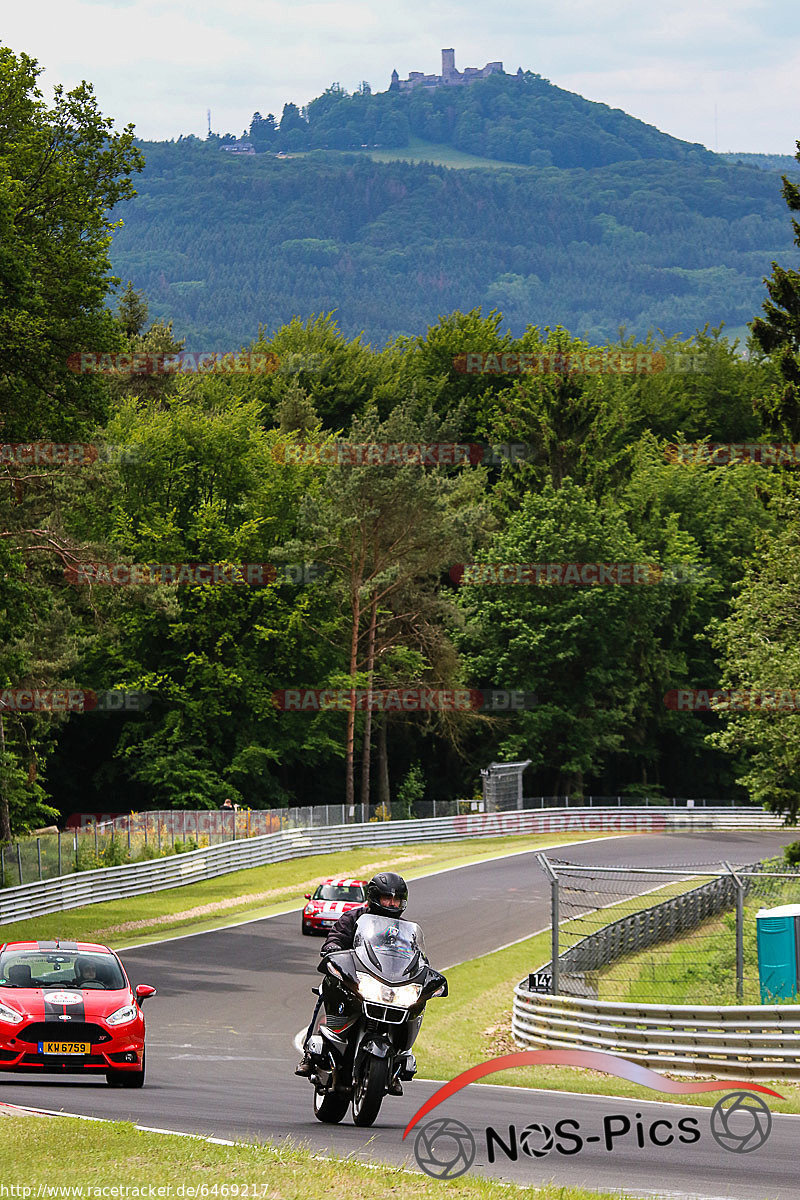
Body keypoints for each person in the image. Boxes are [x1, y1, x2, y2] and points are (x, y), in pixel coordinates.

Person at [295, 872, 409, 1080]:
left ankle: (400, 1061)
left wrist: (420, 965)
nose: (392, 904)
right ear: (374, 897)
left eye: (396, 899)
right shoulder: (353, 918)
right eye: (387, 898)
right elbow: (336, 937)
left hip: (385, 984)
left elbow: (413, 953)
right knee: (325, 991)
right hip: (354, 978)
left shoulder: (404, 930)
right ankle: (309, 1055)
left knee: (412, 1006)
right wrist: (333, 948)